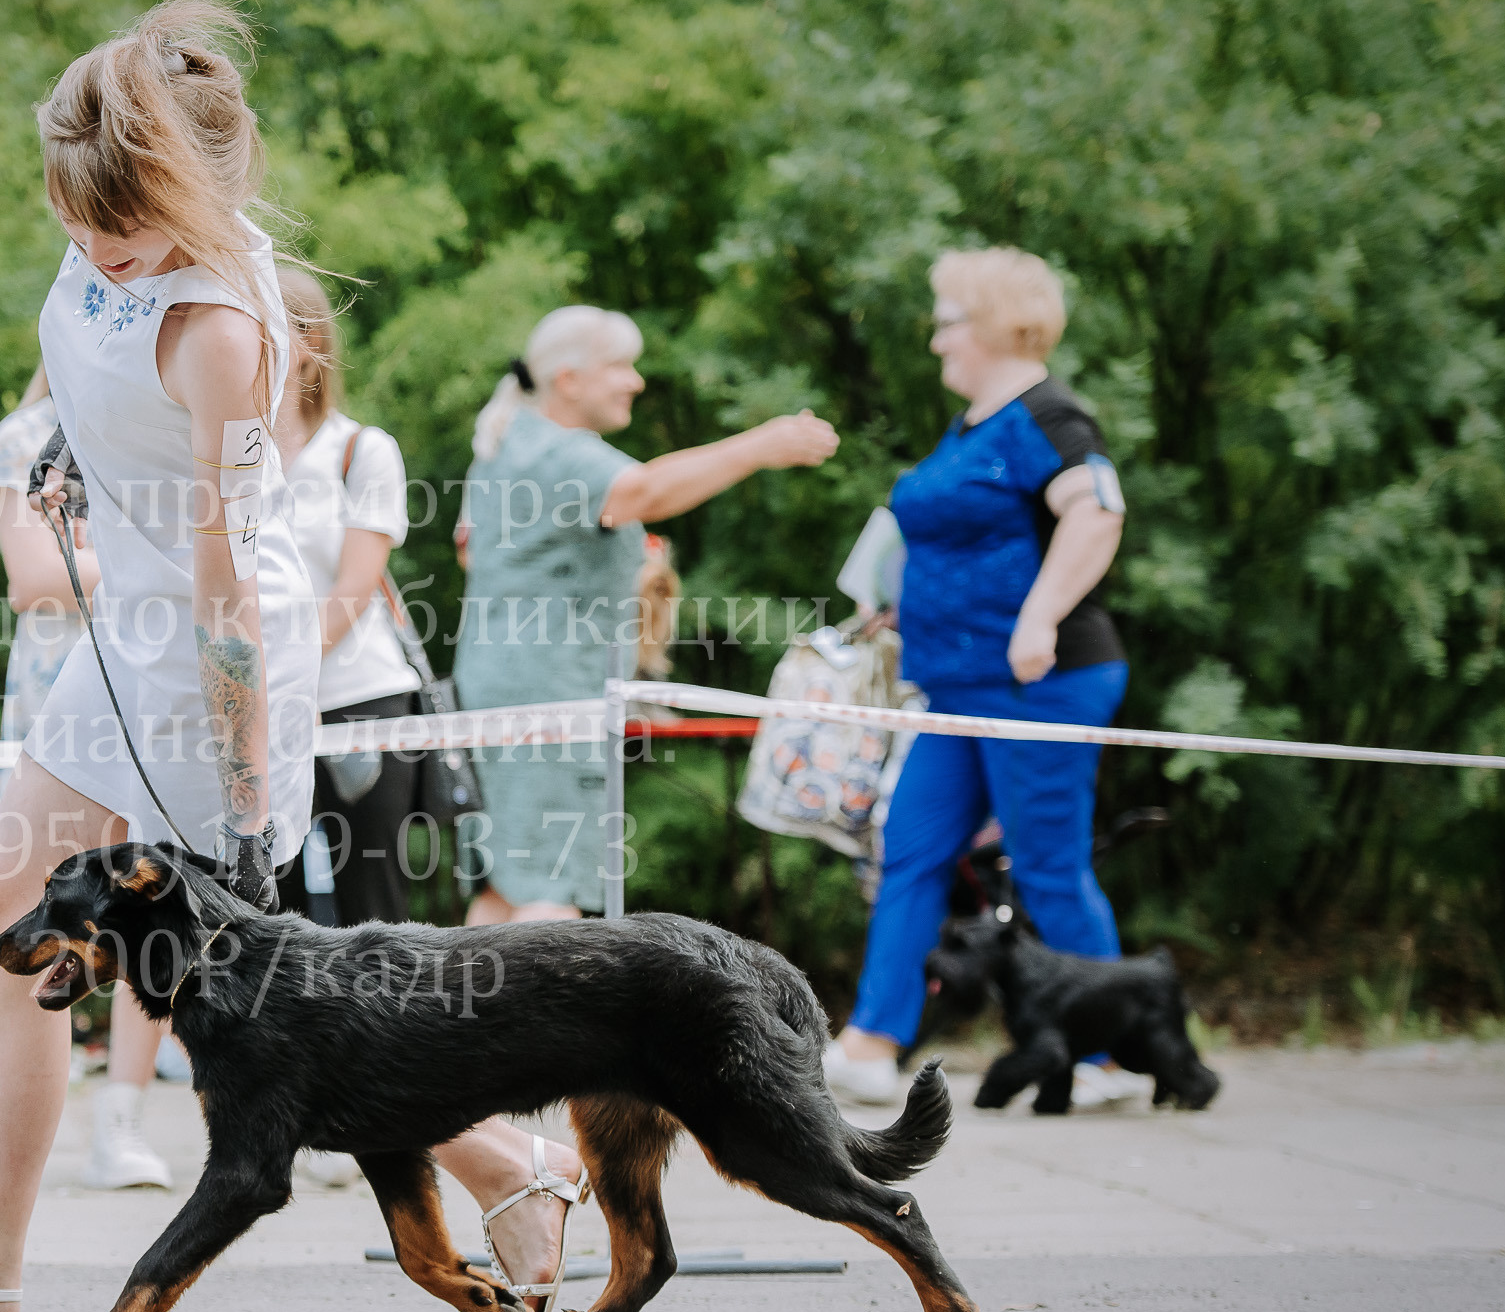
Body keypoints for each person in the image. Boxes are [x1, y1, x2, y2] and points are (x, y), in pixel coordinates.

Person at [0, 0, 605, 1312]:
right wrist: (67, 448)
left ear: (186, 195)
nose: (87, 250)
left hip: (207, 669)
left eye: (111, 233)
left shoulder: (225, 332)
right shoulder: (104, 239)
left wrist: (246, 799)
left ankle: (506, 1167)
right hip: (119, 633)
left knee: (223, 999)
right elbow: (89, 372)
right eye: (69, 222)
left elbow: (232, 590)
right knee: (9, 905)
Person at [824, 247, 1138, 1108]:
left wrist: (1038, 617)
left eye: (948, 322)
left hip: (1040, 683)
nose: (936, 343)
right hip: (954, 687)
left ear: (999, 326)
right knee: (911, 850)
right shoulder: (972, 424)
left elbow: (1097, 512)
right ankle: (868, 1043)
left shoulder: (1049, 414)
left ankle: (1106, 1057)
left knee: (1047, 866)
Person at [457, 306, 842, 924]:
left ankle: (465, 1022)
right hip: (551, 699)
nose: (636, 381)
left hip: (493, 685)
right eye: (619, 366)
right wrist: (760, 445)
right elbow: (644, 492)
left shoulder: (505, 445)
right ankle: (549, 1024)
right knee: (551, 896)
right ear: (569, 380)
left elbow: (471, 550)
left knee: (504, 889)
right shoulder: (561, 452)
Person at [0, 370, 172, 1190]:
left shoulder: (163, 425)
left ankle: (121, 1120)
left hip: (158, 687)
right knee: (25, 906)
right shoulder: (25, 440)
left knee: (147, 907)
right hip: (63, 696)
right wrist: (161, 563)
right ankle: (13, 1146)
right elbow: (34, 581)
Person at [269, 265, 423, 926]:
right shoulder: (223, 455)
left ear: (307, 342)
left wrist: (290, 677)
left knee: (373, 906)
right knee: (275, 906)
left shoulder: (361, 450)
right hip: (265, 706)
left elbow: (355, 586)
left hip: (360, 698)